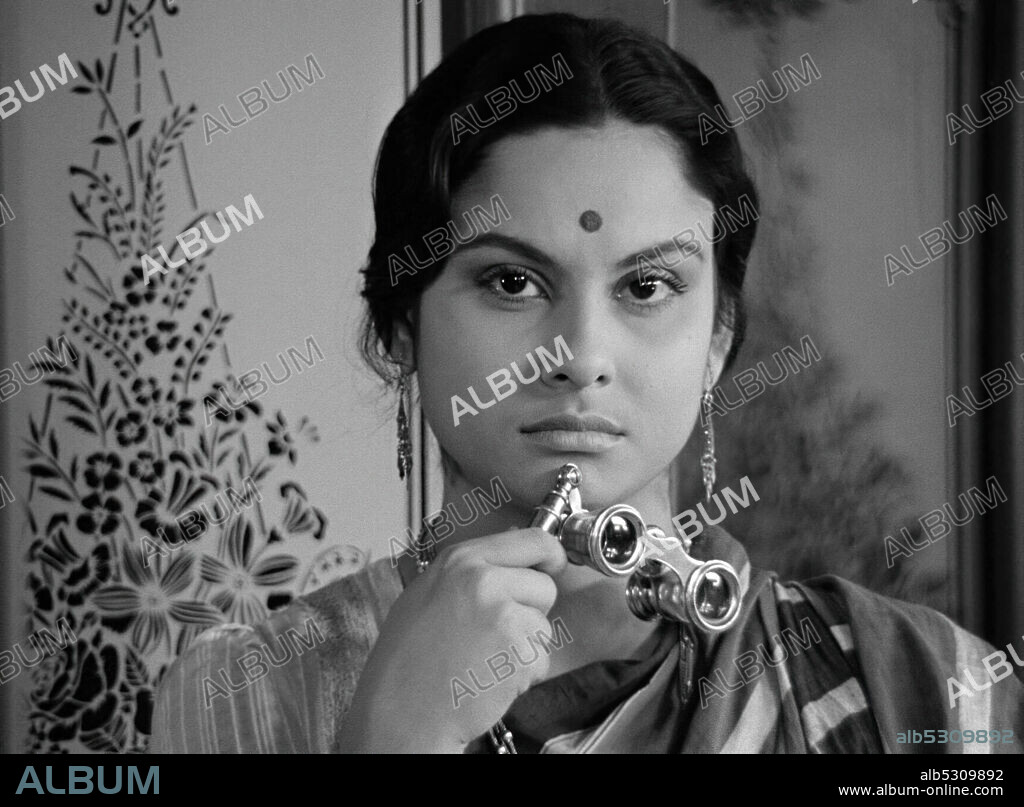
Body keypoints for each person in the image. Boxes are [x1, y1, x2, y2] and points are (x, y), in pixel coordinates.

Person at [150, 12, 1023, 754]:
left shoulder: (926, 691)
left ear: (718, 339)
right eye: (512, 283)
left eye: (647, 287)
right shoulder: (239, 696)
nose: (578, 354)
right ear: (403, 327)